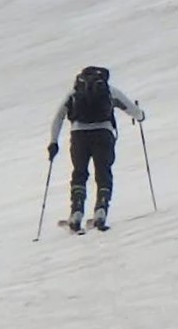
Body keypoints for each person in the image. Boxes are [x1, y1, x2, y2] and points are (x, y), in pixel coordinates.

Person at [46, 65, 144, 232]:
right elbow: (131, 109)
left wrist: (53, 142)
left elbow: (58, 117)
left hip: (79, 135)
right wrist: (140, 116)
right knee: (103, 173)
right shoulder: (110, 91)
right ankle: (101, 211)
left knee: (79, 173)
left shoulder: (74, 93)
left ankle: (76, 212)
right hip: (103, 134)